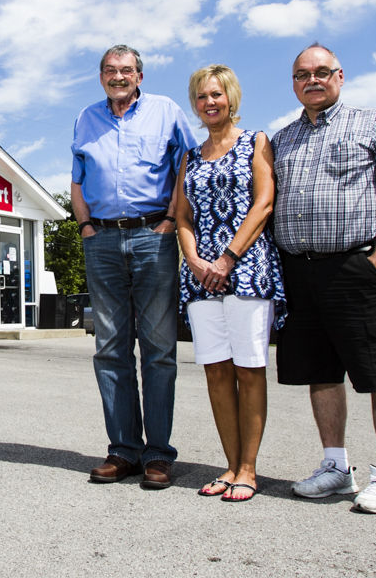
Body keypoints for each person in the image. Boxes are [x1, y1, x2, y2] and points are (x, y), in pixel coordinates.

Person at [272, 43, 376, 514]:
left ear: (340, 75)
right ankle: (336, 468)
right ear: (294, 83)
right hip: (300, 269)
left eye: (321, 72)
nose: (312, 80)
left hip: (355, 266)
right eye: (302, 74)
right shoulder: (282, 139)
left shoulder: (372, 121)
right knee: (320, 372)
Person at [71, 44, 196, 489]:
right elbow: (78, 178)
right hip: (101, 239)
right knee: (110, 349)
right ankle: (123, 450)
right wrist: (84, 226)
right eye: (110, 70)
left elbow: (188, 162)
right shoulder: (86, 118)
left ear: (139, 76)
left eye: (126, 70)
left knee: (159, 348)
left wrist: (170, 220)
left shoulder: (165, 110)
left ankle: (158, 454)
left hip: (152, 237)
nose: (118, 76)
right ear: (101, 75)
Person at [174, 64, 285, 503]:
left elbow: (264, 203)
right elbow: (182, 216)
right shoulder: (190, 156)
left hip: (247, 269)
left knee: (249, 368)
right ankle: (229, 464)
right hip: (202, 279)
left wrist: (227, 258)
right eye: (201, 97)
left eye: (216, 95)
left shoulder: (256, 141)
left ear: (231, 97)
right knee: (217, 371)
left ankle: (249, 470)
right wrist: (195, 260)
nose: (209, 103)